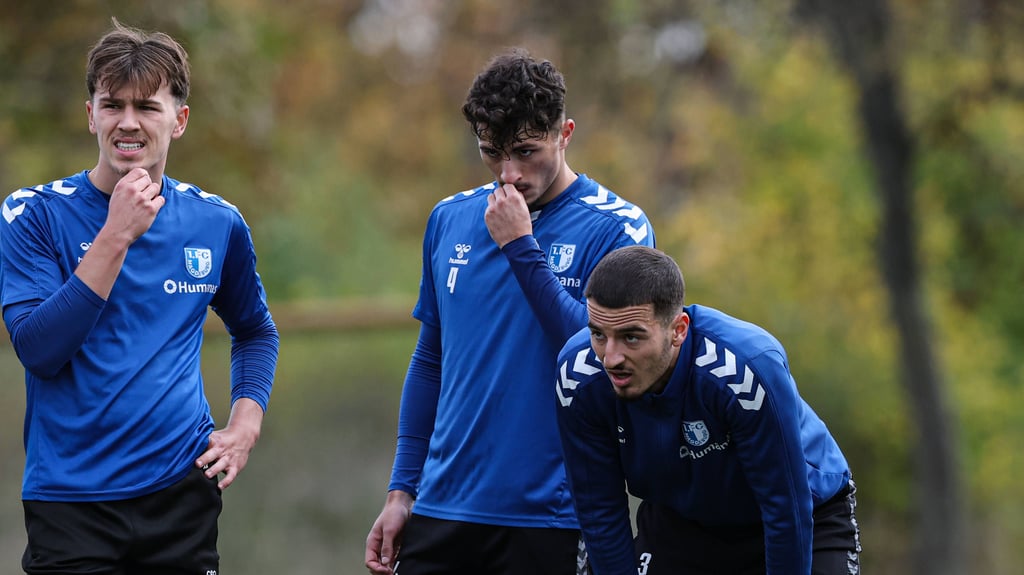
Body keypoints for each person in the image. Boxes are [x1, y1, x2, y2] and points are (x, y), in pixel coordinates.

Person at [0, 19, 279, 575]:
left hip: (181, 493)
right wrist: (115, 235)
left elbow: (255, 331)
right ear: (90, 115)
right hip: (70, 503)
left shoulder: (217, 221)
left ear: (179, 120)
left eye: (147, 107)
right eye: (112, 105)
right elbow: (37, 349)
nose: (128, 123)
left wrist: (246, 423)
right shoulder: (32, 214)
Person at [365, 48, 655, 575]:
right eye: (492, 152)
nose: (509, 174)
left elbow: (600, 358)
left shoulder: (618, 228)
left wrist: (521, 248)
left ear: (564, 133)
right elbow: (431, 361)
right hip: (441, 508)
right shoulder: (449, 219)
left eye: (526, 150)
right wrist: (402, 488)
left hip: (552, 517)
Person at [555, 245, 861, 575]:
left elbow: (784, 508)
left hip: (802, 516)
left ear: (678, 330)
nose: (610, 358)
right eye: (598, 334)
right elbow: (599, 511)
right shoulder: (578, 377)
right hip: (680, 524)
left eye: (631, 337)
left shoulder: (744, 371)